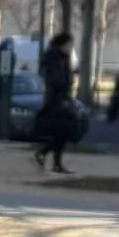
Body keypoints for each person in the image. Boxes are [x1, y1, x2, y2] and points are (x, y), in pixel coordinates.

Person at [31, 29, 77, 175]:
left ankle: (50, 157)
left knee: (62, 132)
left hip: (61, 99)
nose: (70, 47)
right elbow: (57, 80)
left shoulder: (62, 57)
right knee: (62, 130)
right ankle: (49, 157)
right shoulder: (55, 58)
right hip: (57, 100)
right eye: (69, 44)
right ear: (62, 44)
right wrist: (62, 95)